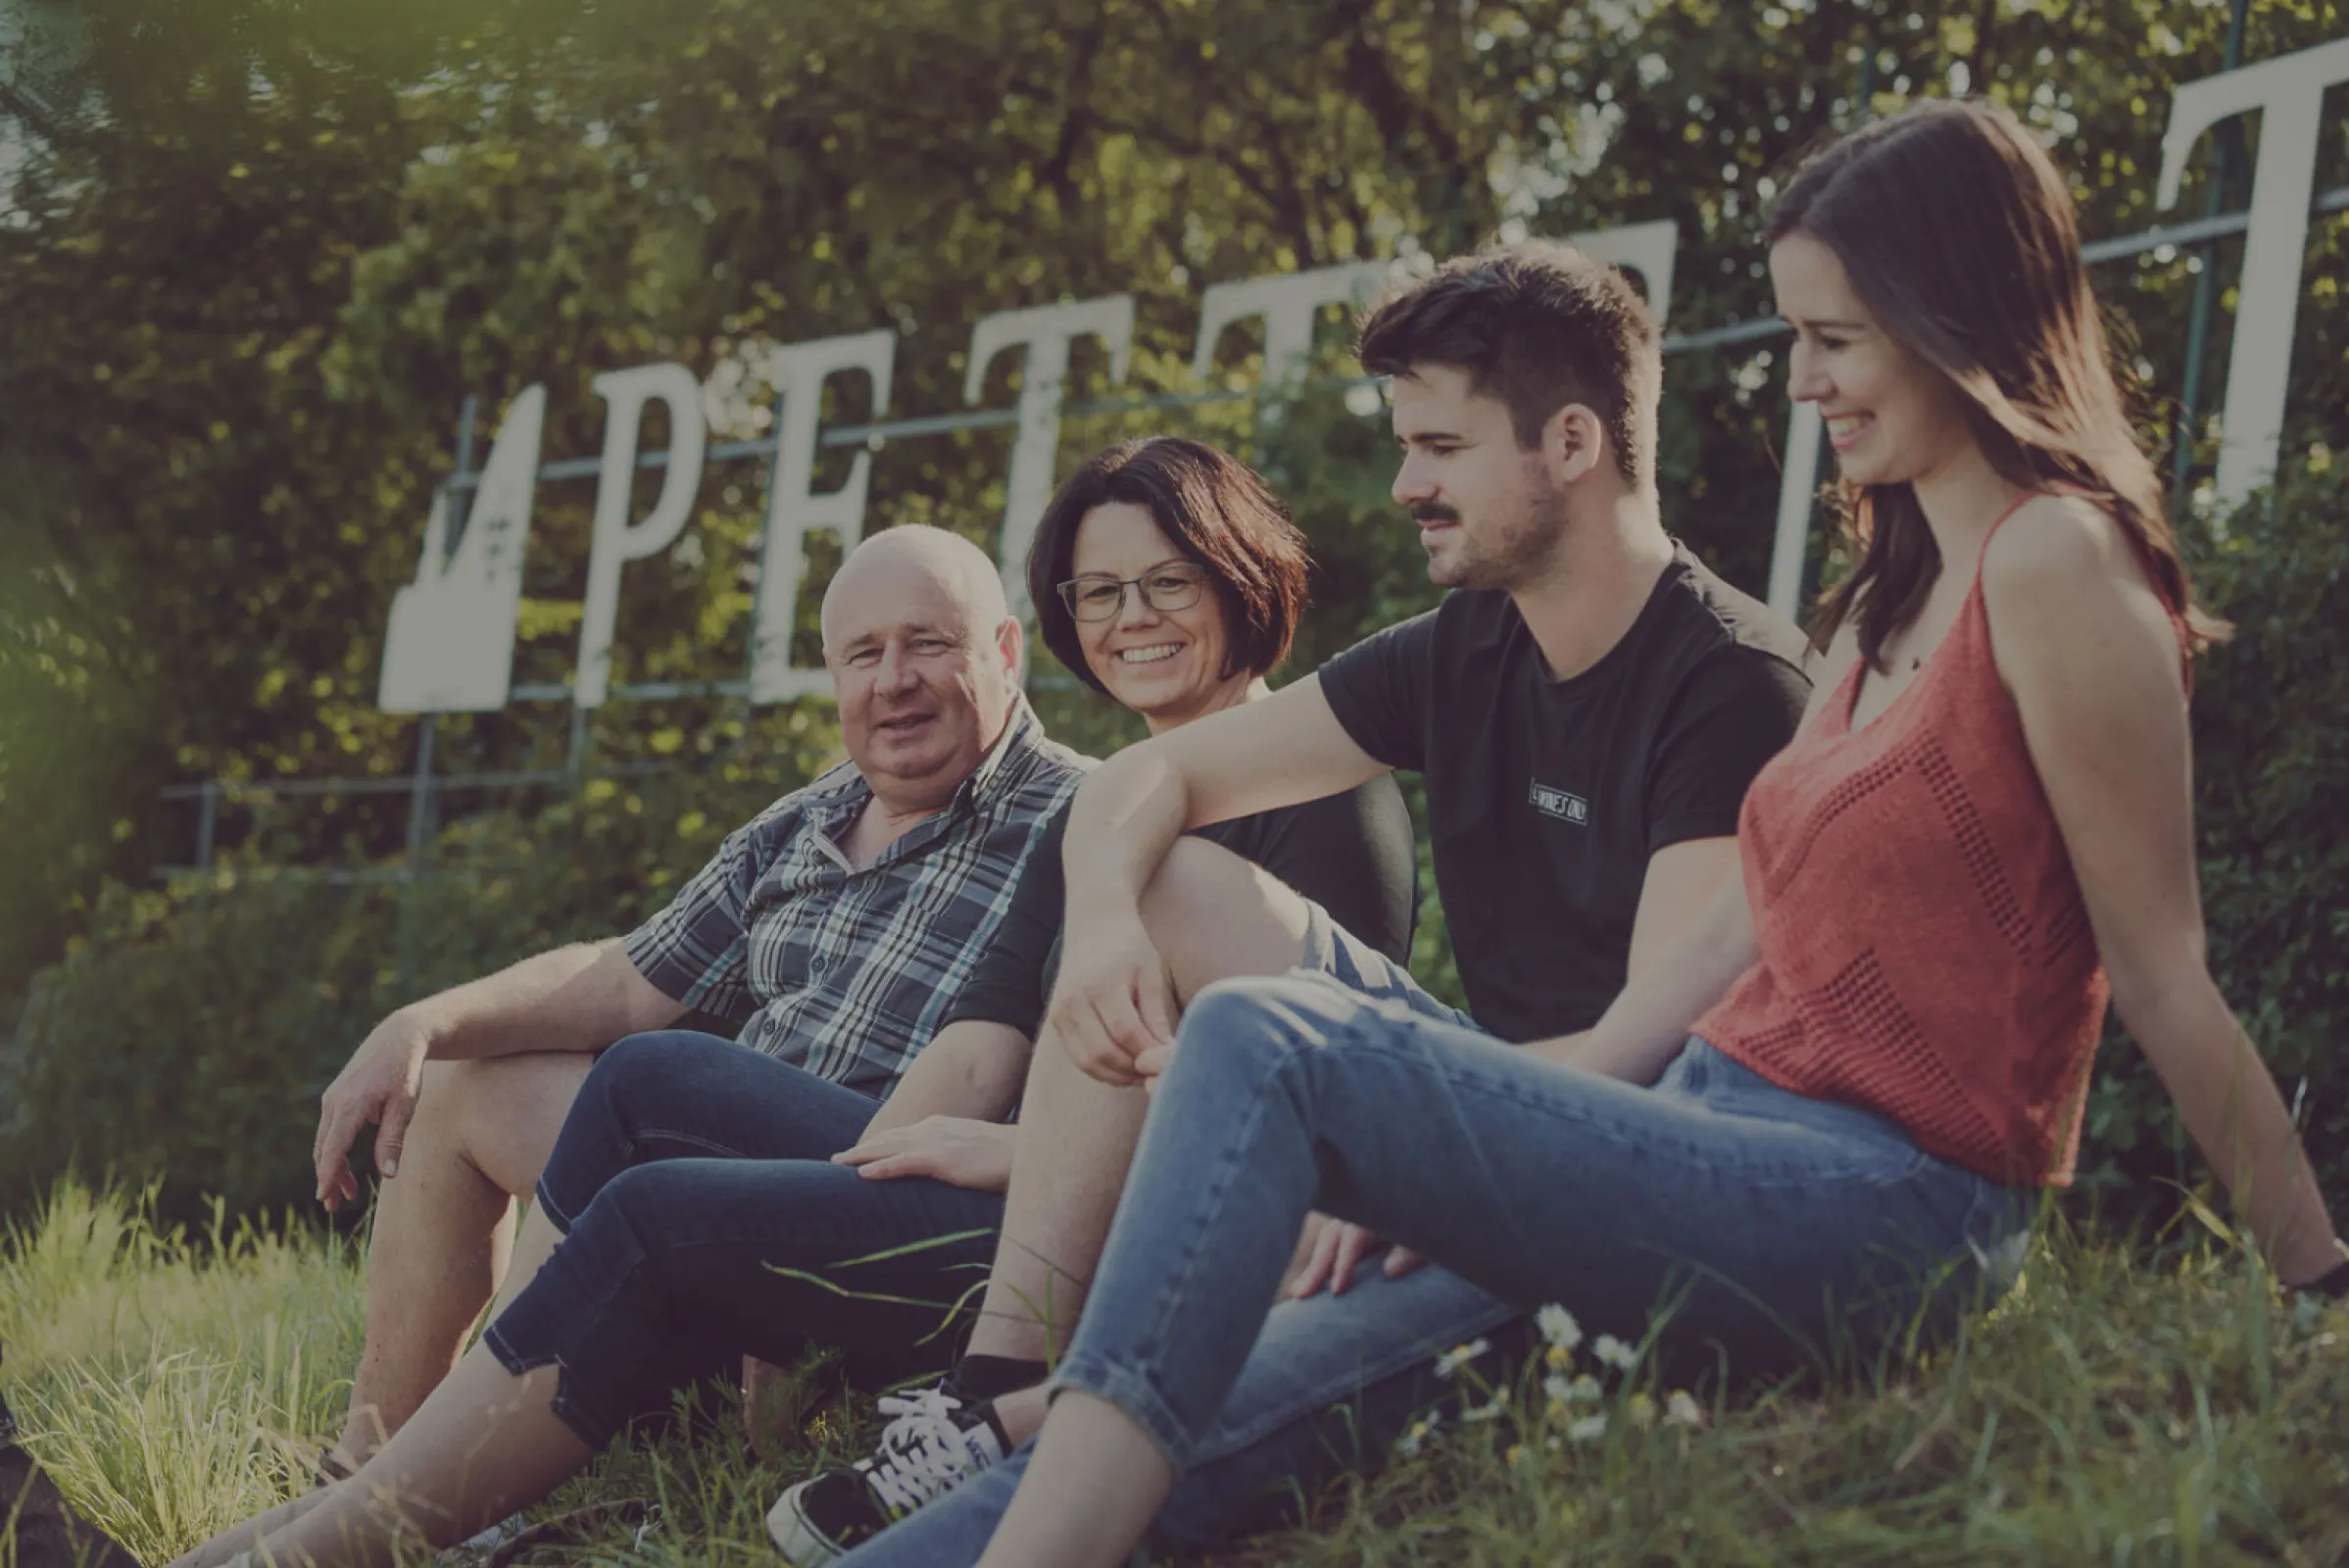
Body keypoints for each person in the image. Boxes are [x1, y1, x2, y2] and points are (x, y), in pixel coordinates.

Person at [934, 99, 2349, 1568]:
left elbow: (2162, 968)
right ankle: (1002, 1492)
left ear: (1957, 318)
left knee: (1258, 1038)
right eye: (1796, 335)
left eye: (1836, 338)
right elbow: (1741, 930)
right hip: (1703, 1144)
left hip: (1890, 1209)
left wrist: (2317, 1286)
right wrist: (1481, 1146)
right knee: (1200, 1430)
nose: (1800, 379)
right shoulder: (1886, 598)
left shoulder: (2055, 562)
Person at [162, 438, 1418, 1568]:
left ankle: (414, 1501)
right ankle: (395, 1477)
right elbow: (964, 1064)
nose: (1131, 618)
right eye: (1103, 591)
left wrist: (994, 1159)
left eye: (1168, 583)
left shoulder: (1276, 800)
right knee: (580, 1092)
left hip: (1098, 1254)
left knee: (654, 1100)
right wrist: (808, 1224)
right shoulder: (1105, 816)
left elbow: (1311, 1102)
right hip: (961, 1200)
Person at [798, 237, 1817, 1565]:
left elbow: (1651, 1065)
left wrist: (1390, 1136)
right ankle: (996, 1383)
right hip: (1464, 1090)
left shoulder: (1732, 683)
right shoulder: (1467, 648)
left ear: (1572, 441)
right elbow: (1138, 785)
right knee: (1158, 867)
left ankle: (1040, 1438)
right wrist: (1105, 925)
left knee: (1202, 1425)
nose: (1407, 485)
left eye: (1440, 448)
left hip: (1617, 1171)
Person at [305, 523, 1086, 1477]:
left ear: (1003, 651)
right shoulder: (806, 821)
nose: (894, 680)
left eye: (928, 642)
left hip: (913, 1206)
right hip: (712, 1171)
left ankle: (466, 1459)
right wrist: (419, 1021)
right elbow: (630, 980)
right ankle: (366, 1464)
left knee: (654, 1076)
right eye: (862, 654)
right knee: (469, 1079)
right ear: (833, 676)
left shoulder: (1079, 816)